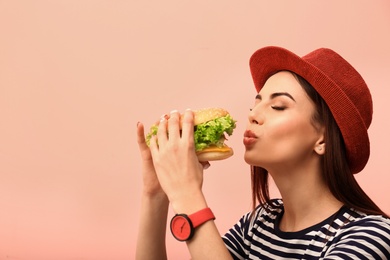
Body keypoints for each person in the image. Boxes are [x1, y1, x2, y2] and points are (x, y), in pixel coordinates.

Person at [135, 46, 390, 259]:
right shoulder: (258, 225)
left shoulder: (371, 236)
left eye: (278, 106)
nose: (253, 115)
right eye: (255, 104)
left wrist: (188, 195)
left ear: (323, 139)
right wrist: (156, 194)